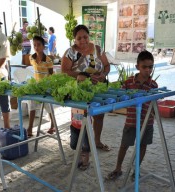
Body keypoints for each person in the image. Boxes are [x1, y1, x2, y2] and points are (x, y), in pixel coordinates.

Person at [106, 50, 158, 180]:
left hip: (147, 122)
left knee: (142, 146)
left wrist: (154, 113)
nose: (148, 70)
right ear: (137, 67)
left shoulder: (153, 85)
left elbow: (154, 104)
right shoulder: (129, 82)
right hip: (131, 121)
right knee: (124, 145)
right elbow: (121, 96)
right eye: (144, 67)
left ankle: (136, 169)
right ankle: (118, 168)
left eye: (150, 67)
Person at [61, 24, 111, 151]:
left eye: (85, 37)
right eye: (79, 38)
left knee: (99, 116)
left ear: (89, 36)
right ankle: (85, 152)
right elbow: (64, 71)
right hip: (80, 91)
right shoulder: (70, 52)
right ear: (74, 39)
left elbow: (106, 66)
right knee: (82, 119)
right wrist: (84, 76)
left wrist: (103, 75)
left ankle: (97, 141)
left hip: (98, 89)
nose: (83, 40)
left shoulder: (98, 49)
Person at [27, 35, 55, 137]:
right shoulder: (31, 57)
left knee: (48, 106)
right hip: (36, 86)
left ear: (43, 46)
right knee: (32, 106)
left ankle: (53, 125)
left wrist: (51, 86)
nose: (36, 47)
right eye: (34, 45)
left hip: (46, 87)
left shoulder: (48, 60)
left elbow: (51, 75)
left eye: (39, 45)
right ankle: (30, 128)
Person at [70, 72, 91, 171]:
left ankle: (86, 161)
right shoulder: (73, 93)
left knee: (86, 147)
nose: (79, 84)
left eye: (83, 82)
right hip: (74, 125)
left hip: (86, 126)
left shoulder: (89, 95)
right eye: (78, 81)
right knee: (74, 145)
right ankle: (79, 160)